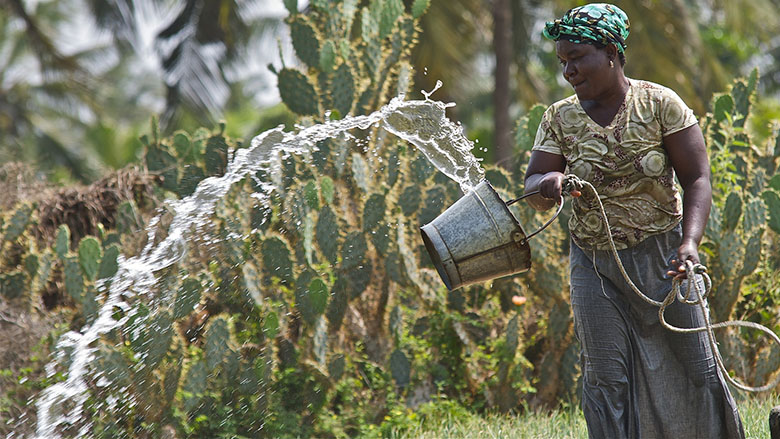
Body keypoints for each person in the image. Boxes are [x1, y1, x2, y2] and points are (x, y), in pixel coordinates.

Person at [523, 3, 744, 438]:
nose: (569, 71)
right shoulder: (559, 118)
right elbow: (532, 183)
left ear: (611, 52)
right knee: (606, 378)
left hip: (665, 259)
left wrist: (690, 244)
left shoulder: (660, 104)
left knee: (698, 365)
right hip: (596, 266)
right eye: (562, 62)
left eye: (578, 58)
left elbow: (697, 178)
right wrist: (549, 182)